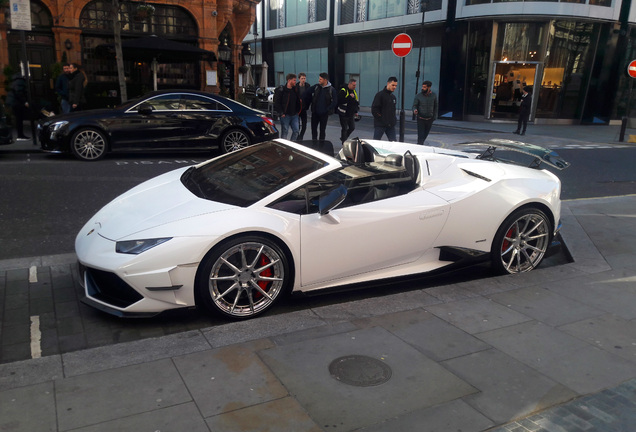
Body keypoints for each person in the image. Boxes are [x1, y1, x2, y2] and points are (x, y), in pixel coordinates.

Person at [304, 72, 337, 141]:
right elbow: (307, 92)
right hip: (315, 112)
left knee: (322, 130)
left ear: (325, 80)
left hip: (324, 114)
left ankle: (321, 145)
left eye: (320, 79)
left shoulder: (331, 90)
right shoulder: (316, 87)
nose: (319, 80)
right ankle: (314, 143)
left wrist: (327, 109)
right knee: (314, 129)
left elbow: (334, 102)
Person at [273, 73, 302, 141]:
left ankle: (291, 145)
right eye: (294, 80)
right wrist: (281, 112)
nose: (295, 82)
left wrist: (298, 111)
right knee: (285, 132)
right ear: (289, 80)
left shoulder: (295, 90)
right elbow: (277, 102)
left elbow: (298, 100)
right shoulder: (282, 90)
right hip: (285, 115)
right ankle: (284, 147)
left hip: (294, 114)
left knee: (296, 131)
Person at [371, 76, 398, 141]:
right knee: (376, 142)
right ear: (388, 84)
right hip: (380, 124)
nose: (394, 87)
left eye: (396, 85)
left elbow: (393, 110)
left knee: (394, 142)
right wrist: (381, 119)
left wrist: (393, 120)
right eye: (393, 85)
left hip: (390, 125)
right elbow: (374, 109)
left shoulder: (393, 97)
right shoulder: (380, 95)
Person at [412, 80, 438, 145]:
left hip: (429, 119)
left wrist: (434, 117)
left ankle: (421, 144)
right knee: (420, 135)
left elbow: (436, 106)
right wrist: (415, 110)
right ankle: (420, 145)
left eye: (424, 87)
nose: (422, 88)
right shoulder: (418, 96)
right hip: (421, 118)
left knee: (425, 134)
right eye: (422, 87)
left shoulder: (434, 96)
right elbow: (414, 105)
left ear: (429, 87)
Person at [7, 73, 30, 140]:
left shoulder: (15, 81)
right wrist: (24, 102)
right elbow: (19, 92)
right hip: (17, 103)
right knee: (19, 120)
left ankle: (20, 135)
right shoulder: (20, 82)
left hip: (14, 103)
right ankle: (20, 135)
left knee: (18, 120)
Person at [337, 78, 359, 143]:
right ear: (349, 84)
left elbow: (356, 102)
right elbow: (340, 101)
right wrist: (349, 97)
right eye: (353, 85)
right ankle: (344, 142)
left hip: (351, 113)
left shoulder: (354, 91)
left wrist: (356, 111)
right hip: (343, 113)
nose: (355, 87)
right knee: (344, 128)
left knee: (352, 127)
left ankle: (344, 137)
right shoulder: (343, 90)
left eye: (355, 85)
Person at [296, 72, 311, 140]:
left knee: (304, 124)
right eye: (302, 78)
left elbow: (309, 96)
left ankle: (301, 136)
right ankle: (298, 136)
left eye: (304, 78)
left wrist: (307, 105)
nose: (303, 80)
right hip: (297, 108)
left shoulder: (307, 86)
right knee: (297, 124)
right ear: (299, 79)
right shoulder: (296, 86)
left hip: (304, 108)